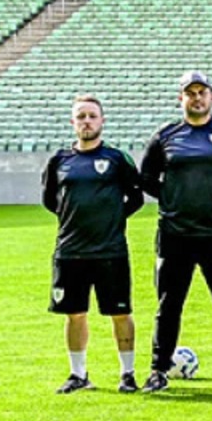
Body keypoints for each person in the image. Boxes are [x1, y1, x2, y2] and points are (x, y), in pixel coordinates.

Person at [138, 71, 212, 393]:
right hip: (175, 236)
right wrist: (171, 198)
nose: (196, 98)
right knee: (169, 305)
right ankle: (158, 370)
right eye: (190, 93)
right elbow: (146, 178)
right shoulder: (165, 136)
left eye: (202, 92)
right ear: (181, 98)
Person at [43, 95, 144, 394]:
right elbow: (50, 200)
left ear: (102, 121)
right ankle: (78, 375)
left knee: (120, 313)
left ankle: (127, 374)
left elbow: (136, 197)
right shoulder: (59, 160)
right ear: (73, 123)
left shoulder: (117, 158)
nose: (86, 121)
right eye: (81, 117)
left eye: (92, 116)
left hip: (110, 251)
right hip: (70, 251)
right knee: (75, 313)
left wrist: (112, 218)